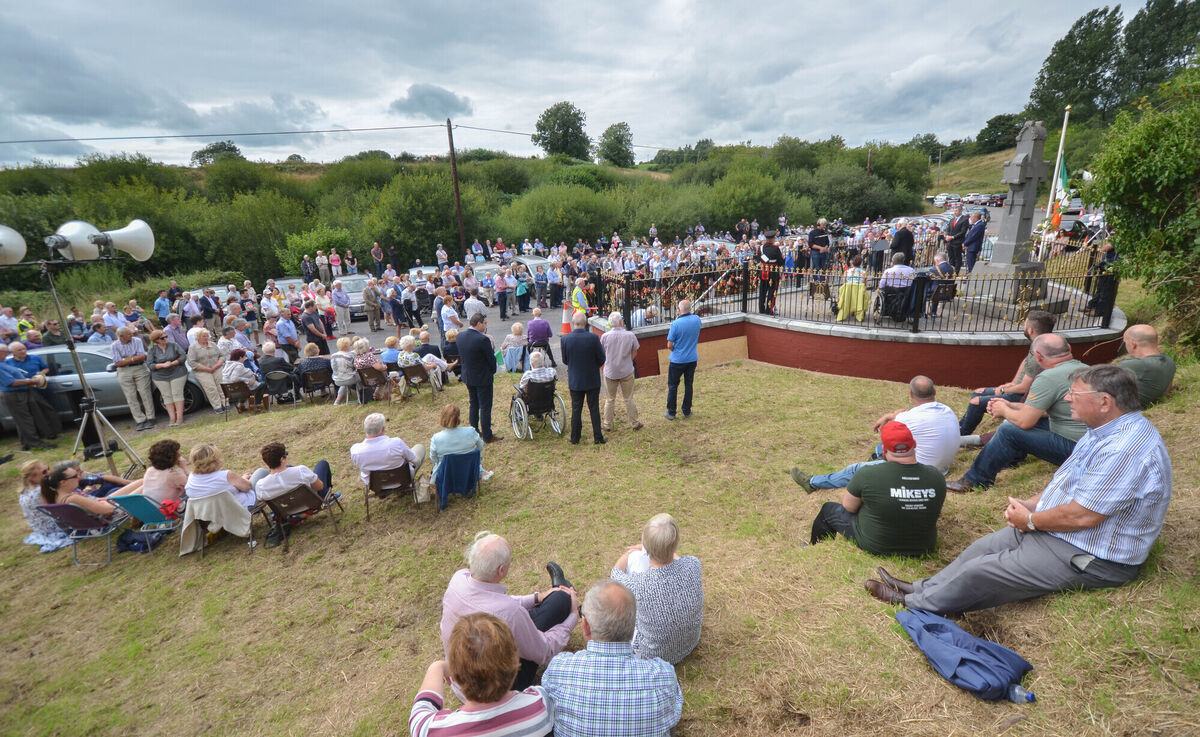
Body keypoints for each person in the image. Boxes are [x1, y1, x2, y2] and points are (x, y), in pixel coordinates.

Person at [867, 365, 1172, 613]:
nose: (1067, 399)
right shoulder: (1103, 430)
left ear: (1105, 402)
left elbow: (1084, 516)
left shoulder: (1125, 449)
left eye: (1075, 394)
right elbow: (1066, 480)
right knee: (980, 549)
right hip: (1062, 531)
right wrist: (1031, 505)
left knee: (982, 571)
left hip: (1092, 556)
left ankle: (915, 603)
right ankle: (922, 587)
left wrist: (1030, 521)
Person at [541, 579, 683, 737]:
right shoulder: (664, 676)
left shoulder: (558, 670)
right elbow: (675, 711)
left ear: (586, 626)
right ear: (632, 625)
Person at [947, 333, 1087, 492]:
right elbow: (1041, 411)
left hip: (1076, 449)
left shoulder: (1048, 377)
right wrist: (1010, 405)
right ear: (1069, 348)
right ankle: (1010, 458)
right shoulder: (1085, 369)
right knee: (1017, 423)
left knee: (1009, 429)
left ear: (1038, 357)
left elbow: (1024, 421)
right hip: (1089, 444)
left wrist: (1004, 410)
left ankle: (975, 481)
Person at [440, 531, 578, 691]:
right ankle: (564, 594)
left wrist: (537, 597)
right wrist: (573, 616)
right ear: (501, 570)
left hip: (461, 682)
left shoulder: (458, 579)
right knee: (560, 601)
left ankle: (560, 593)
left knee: (556, 600)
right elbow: (545, 652)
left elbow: (496, 601)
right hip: (498, 690)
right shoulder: (509, 612)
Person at [792, 376, 959, 491]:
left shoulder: (908, 419)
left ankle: (813, 483)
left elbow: (892, 434)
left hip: (919, 471)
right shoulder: (947, 410)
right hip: (942, 469)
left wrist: (888, 417)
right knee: (881, 448)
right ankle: (878, 459)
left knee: (857, 469)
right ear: (935, 391)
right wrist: (889, 416)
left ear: (911, 394)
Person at [809, 421, 947, 555]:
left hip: (877, 545)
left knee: (828, 510)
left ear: (884, 449)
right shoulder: (937, 477)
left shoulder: (867, 473)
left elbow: (848, 507)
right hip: (924, 547)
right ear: (914, 445)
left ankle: (815, 549)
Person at [410, 613, 554, 737]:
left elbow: (420, 713)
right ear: (515, 663)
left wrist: (437, 667)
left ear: (456, 675)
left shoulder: (437, 731)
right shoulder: (541, 705)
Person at [609, 514, 703, 664]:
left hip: (653, 656)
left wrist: (630, 553)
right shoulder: (694, 564)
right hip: (690, 642)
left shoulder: (638, 585)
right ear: (676, 542)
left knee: (634, 560)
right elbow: (676, 558)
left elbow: (615, 574)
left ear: (645, 543)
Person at [959, 310, 1056, 438]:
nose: (1023, 327)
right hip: (1017, 391)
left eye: (1025, 324)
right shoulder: (1041, 342)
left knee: (976, 402)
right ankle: (958, 428)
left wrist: (1004, 389)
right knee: (978, 392)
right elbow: (1025, 363)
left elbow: (1024, 388)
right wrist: (1013, 383)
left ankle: (960, 436)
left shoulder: (1041, 350)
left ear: (1031, 330)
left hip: (1024, 398)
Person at [0, 343, 58, 451]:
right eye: (5, 352)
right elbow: (11, 382)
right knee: (25, 420)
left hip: (22, 392)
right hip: (14, 395)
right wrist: (31, 381)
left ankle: (26, 443)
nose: (7, 354)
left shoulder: (3, 363)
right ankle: (36, 444)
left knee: (23, 420)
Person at [561, 311, 606, 445]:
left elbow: (565, 360)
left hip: (575, 379)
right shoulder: (593, 338)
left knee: (576, 409)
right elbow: (601, 358)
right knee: (594, 408)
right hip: (592, 378)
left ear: (573, 323)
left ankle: (575, 437)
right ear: (585, 323)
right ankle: (598, 437)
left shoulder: (565, 339)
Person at [351, 412, 427, 487]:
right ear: (383, 429)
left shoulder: (355, 451)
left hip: (375, 485)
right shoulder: (396, 443)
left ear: (365, 429)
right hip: (402, 480)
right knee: (419, 448)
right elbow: (414, 460)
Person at [458, 312, 500, 443]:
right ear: (479, 323)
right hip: (482, 377)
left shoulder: (460, 336)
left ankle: (474, 430)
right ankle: (487, 435)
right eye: (485, 323)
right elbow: (491, 359)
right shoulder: (482, 339)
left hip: (468, 375)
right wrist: (492, 371)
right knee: (485, 406)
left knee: (473, 404)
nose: (486, 326)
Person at [1115, 324, 1175, 408]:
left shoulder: (1135, 365)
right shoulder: (1169, 362)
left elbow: (1097, 381)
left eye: (1125, 342)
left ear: (1133, 344)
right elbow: (1167, 391)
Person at [599, 312, 641, 432]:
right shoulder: (630, 335)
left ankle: (607, 424)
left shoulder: (605, 336)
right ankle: (635, 423)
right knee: (629, 398)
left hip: (610, 371)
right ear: (621, 322)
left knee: (610, 399)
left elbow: (602, 353)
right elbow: (635, 352)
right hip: (626, 370)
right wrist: (627, 360)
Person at [18, 460, 71, 552]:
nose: (49, 472)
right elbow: (61, 506)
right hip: (54, 528)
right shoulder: (42, 490)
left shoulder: (24, 491)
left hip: (40, 529)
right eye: (44, 472)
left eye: (48, 469)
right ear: (32, 477)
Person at [185, 444, 255, 508]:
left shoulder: (191, 478)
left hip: (209, 516)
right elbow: (247, 487)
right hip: (236, 510)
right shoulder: (226, 475)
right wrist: (244, 478)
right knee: (261, 472)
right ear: (214, 459)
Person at [664, 299, 701, 420]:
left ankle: (671, 411)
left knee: (673, 385)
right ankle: (687, 410)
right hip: (691, 358)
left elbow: (669, 345)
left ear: (679, 310)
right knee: (688, 384)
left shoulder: (676, 324)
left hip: (677, 360)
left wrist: (676, 350)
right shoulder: (696, 320)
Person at [145, 329, 188, 428]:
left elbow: (183, 357)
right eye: (162, 338)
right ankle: (172, 418)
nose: (165, 339)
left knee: (177, 393)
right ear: (156, 340)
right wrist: (162, 365)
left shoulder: (173, 345)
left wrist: (172, 363)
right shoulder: (152, 349)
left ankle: (180, 417)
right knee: (166, 396)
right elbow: (150, 365)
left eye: (165, 336)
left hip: (177, 372)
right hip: (160, 376)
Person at [187, 329, 227, 414]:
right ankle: (217, 406)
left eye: (207, 336)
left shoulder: (212, 344)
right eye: (203, 336)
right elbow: (192, 362)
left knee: (221, 386)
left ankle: (225, 404)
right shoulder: (193, 347)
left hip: (216, 368)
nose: (206, 338)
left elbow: (222, 355)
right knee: (211, 388)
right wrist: (207, 369)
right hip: (202, 371)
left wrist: (217, 364)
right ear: (198, 337)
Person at [140, 439, 188, 505]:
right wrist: (184, 468)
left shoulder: (150, 470)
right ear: (172, 457)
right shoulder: (174, 474)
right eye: (179, 455)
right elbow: (192, 488)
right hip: (168, 510)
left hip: (150, 509)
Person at [757, 230, 784, 314]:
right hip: (773, 272)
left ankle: (761, 309)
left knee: (762, 291)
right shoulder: (776, 248)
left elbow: (759, 258)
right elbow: (780, 262)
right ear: (772, 239)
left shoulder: (760, 248)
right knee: (772, 292)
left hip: (763, 271)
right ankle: (769, 310)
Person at [944, 204, 968, 272]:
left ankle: (956, 272)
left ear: (960, 211)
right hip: (950, 242)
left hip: (957, 242)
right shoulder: (952, 219)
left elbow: (963, 232)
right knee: (951, 257)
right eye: (954, 211)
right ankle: (951, 271)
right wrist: (947, 236)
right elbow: (948, 229)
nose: (955, 212)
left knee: (957, 258)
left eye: (956, 211)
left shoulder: (964, 219)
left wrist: (953, 237)